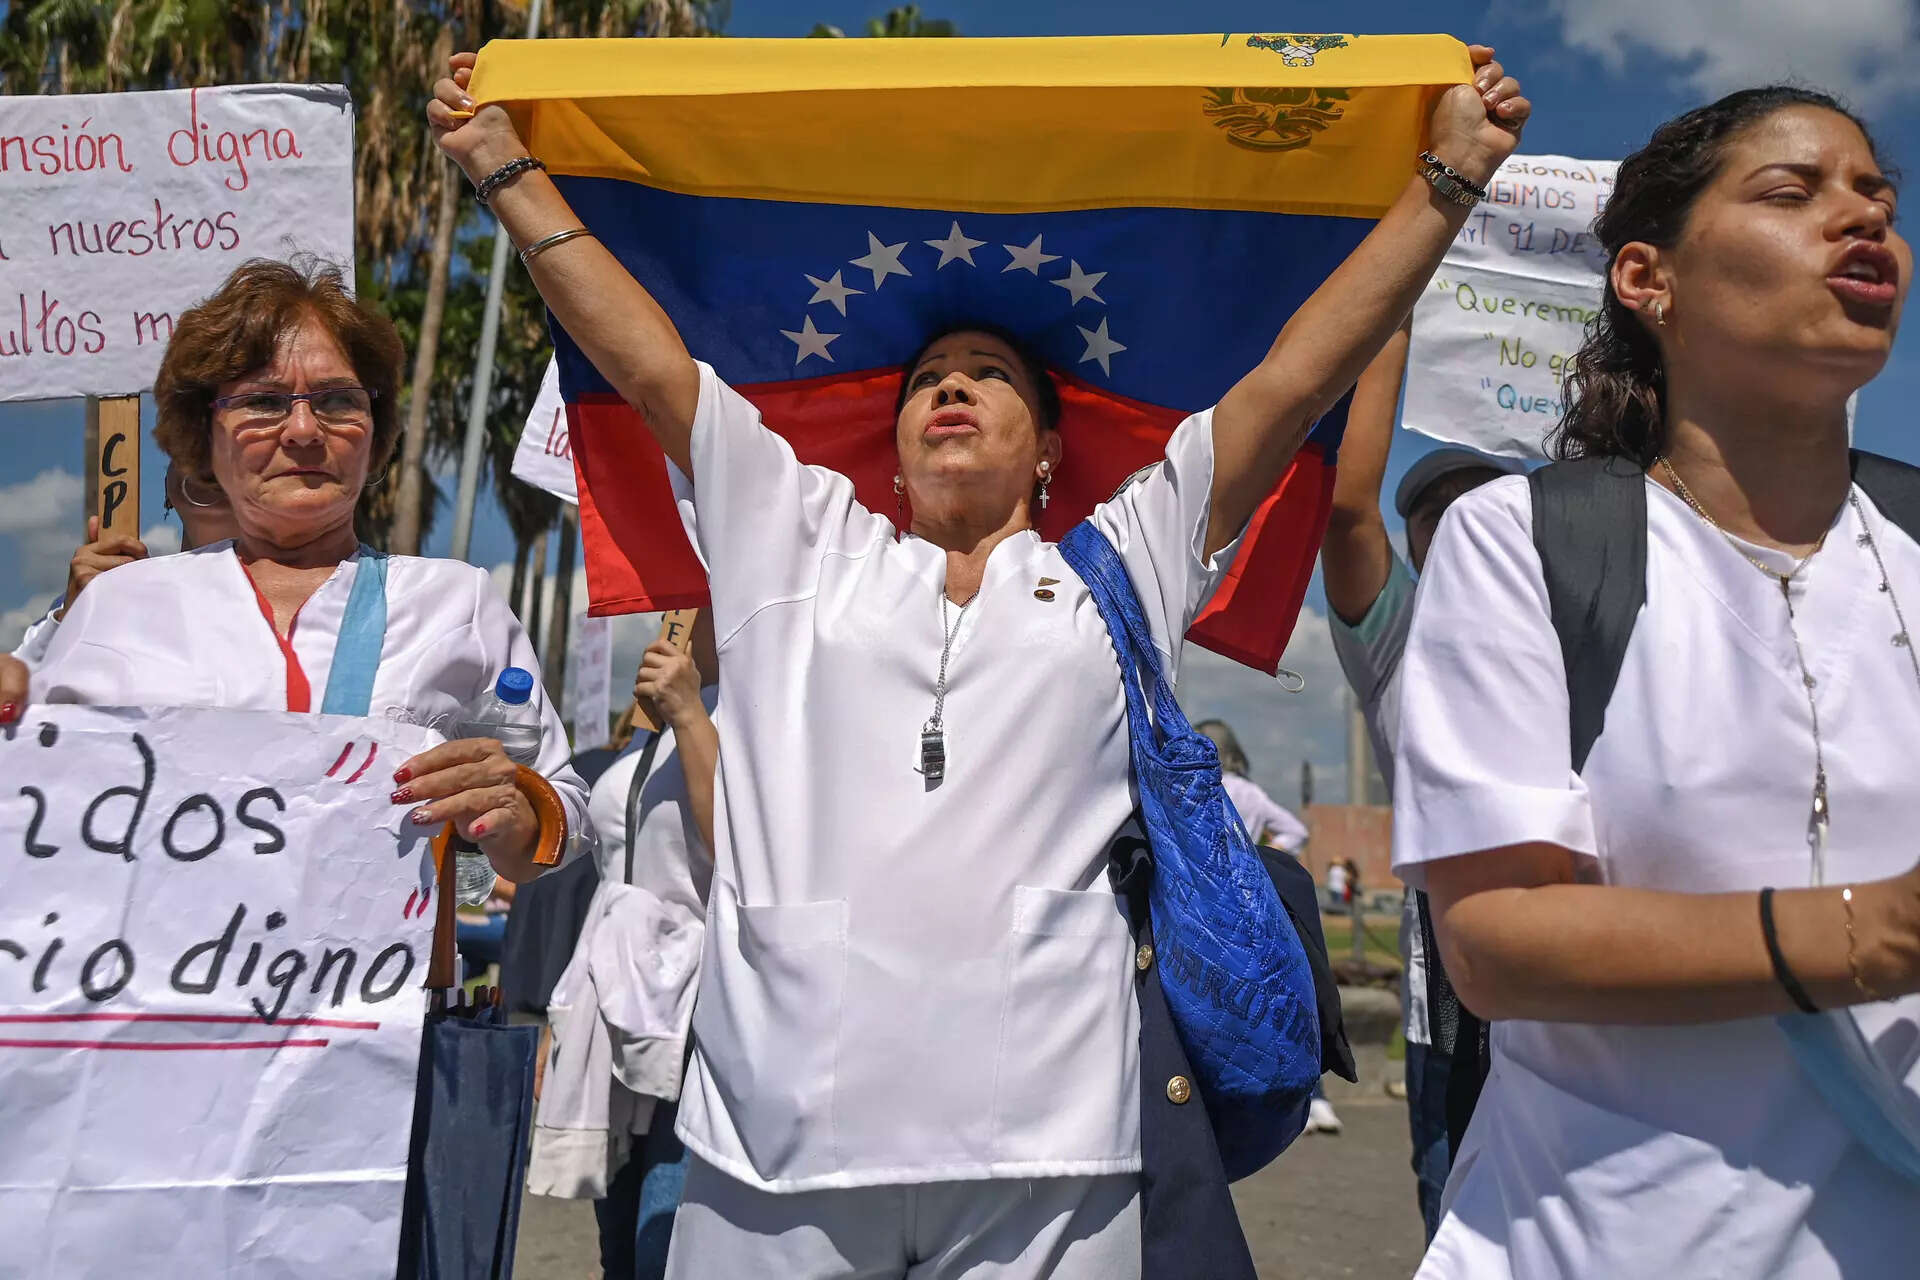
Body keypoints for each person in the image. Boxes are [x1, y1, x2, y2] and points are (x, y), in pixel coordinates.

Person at [430, 44, 1528, 1278]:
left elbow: (1292, 380)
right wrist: (506, 170)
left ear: (1050, 450)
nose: (953, 385)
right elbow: (644, 359)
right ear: (888, 451)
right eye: (929, 383)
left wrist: (1446, 179)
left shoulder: (1125, 558)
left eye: (989, 378)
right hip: (770, 1147)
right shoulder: (797, 534)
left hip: (1052, 1161)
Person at [1392, 88, 1920, 1278]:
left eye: (1876, 195)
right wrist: (1875, 932)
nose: (1861, 219)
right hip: (1582, 1244)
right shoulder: (1521, 538)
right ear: (1647, 278)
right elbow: (1497, 942)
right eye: (1793, 193)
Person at [14, 257, 589, 888]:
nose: (304, 431)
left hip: (378, 980)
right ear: (206, 435)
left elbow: (562, 806)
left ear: (374, 432)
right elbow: (32, 799)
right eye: (263, 401)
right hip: (156, 980)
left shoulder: (456, 601)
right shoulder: (118, 604)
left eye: (338, 400)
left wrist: (517, 811)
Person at [1320, 320, 1522, 1239]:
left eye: (1490, 506)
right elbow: (1346, 508)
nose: (1466, 525)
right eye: (1439, 517)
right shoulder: (1400, 632)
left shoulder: (1584, 619)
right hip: (1446, 953)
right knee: (1454, 1186)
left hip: (1583, 926)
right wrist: (1392, 320)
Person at [574, 614, 719, 1280]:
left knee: (666, 1246)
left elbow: (747, 851)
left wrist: (692, 713)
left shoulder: (761, 714)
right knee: (619, 1253)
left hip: (701, 1027)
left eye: (699, 601)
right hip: (615, 1022)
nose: (680, 616)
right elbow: (611, 880)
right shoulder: (638, 739)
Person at [10, 462, 243, 667]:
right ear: (168, 485)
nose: (217, 455)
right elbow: (22, 695)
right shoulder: (96, 596)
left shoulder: (271, 609)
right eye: (194, 440)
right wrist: (71, 624)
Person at [1192, 719, 1310, 854]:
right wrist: (1261, 856)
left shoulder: (1195, 785)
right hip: (1241, 870)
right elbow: (1297, 833)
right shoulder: (1252, 793)